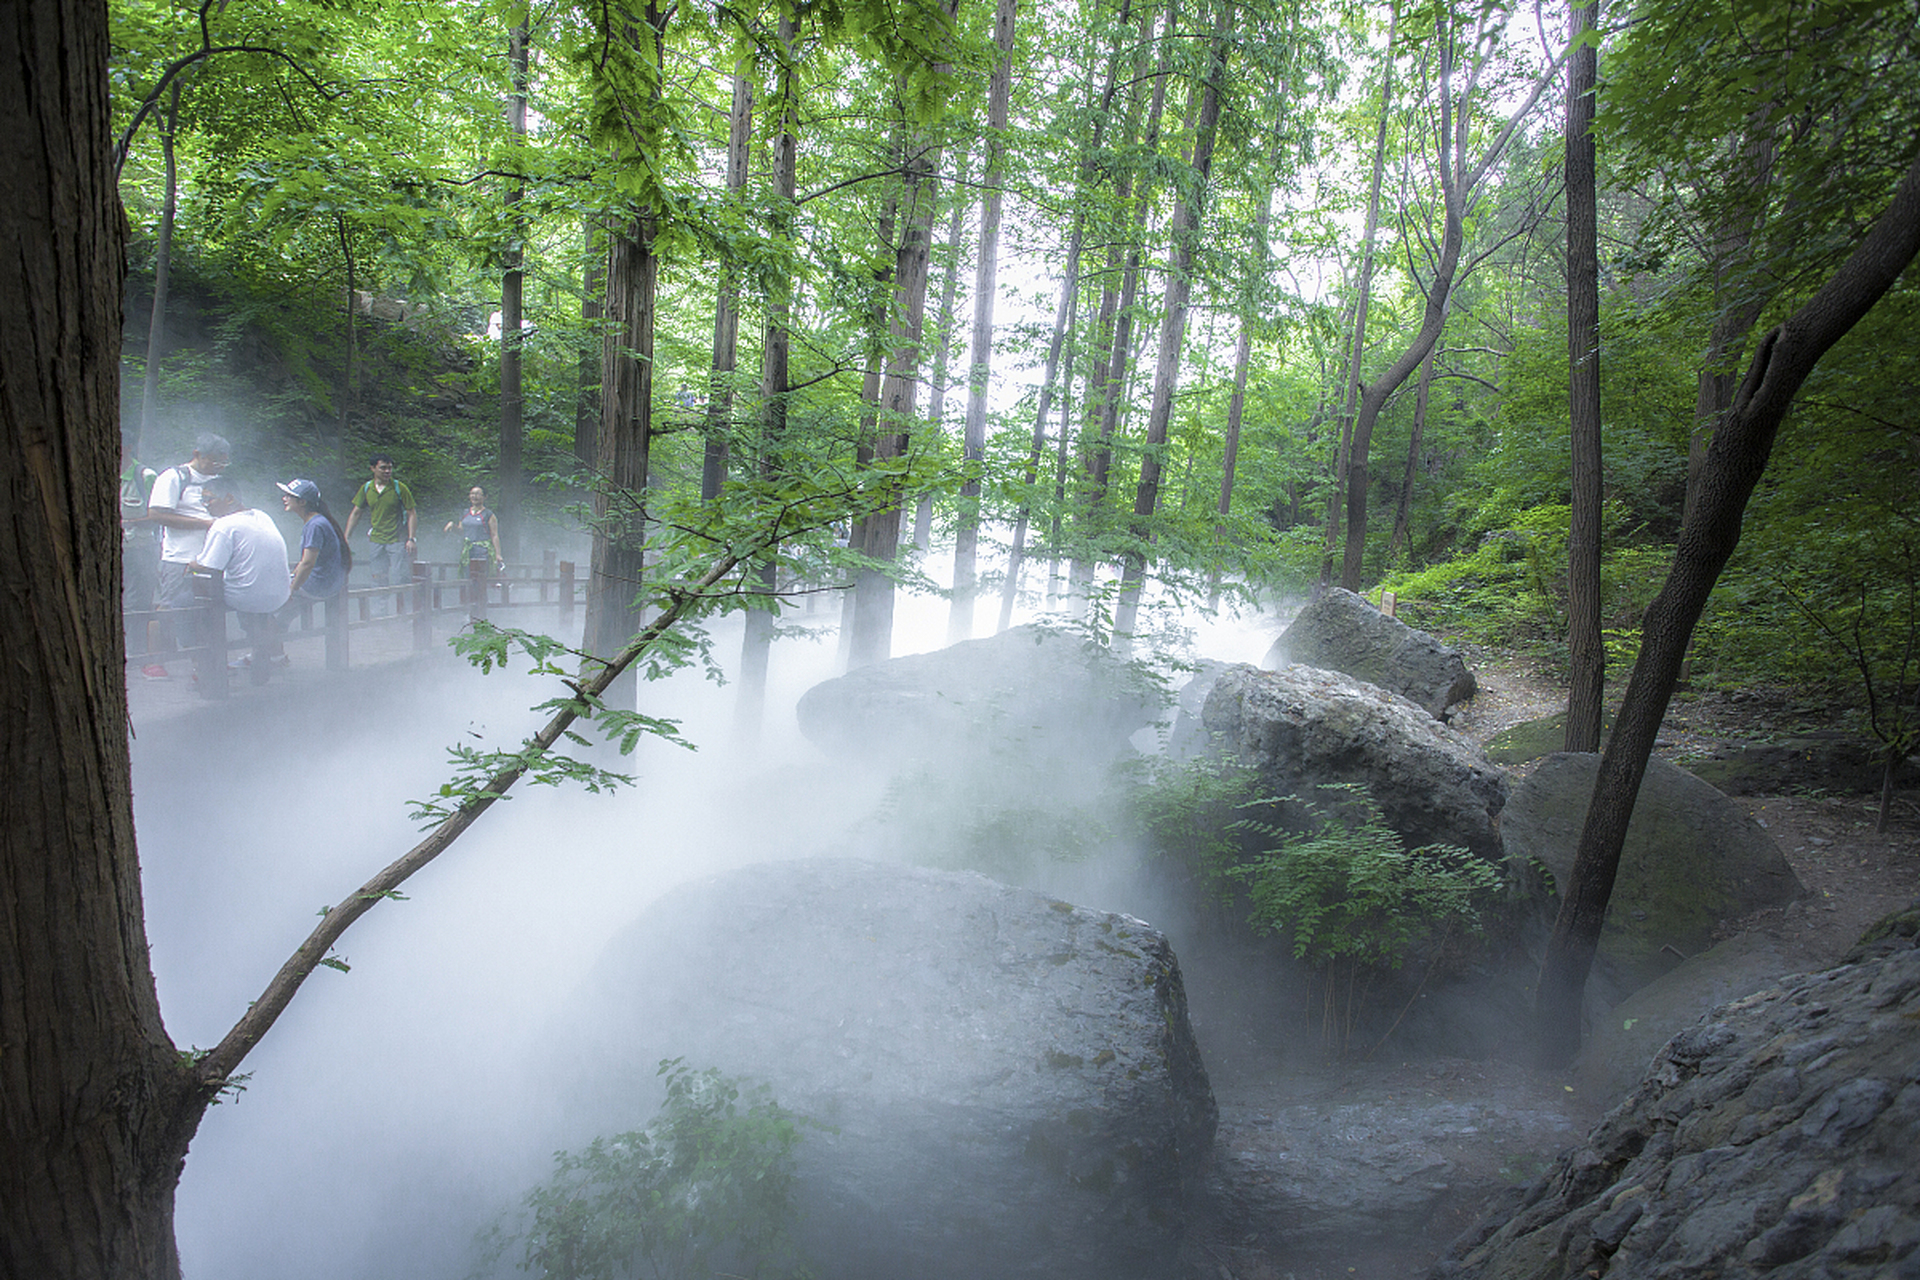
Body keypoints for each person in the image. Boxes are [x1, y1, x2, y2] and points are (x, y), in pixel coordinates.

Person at [141, 432, 229, 679]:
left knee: (205, 610)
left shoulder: (219, 480)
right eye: (213, 461)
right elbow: (156, 514)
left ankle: (203, 663)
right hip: (178, 558)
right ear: (197, 455)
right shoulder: (174, 477)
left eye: (223, 463)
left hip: (211, 558)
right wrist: (205, 524)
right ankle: (153, 661)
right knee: (168, 607)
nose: (218, 467)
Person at [193, 482, 291, 682]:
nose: (205, 505)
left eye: (209, 499)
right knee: (254, 612)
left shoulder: (223, 525)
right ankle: (261, 661)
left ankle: (207, 667)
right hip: (279, 593)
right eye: (202, 500)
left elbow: (209, 566)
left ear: (229, 498)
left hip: (248, 596)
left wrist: (190, 563)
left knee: (186, 602)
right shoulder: (263, 515)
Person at [343, 453, 417, 592]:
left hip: (397, 540)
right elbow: (356, 512)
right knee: (377, 578)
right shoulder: (367, 489)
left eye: (389, 468)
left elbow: (411, 513)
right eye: (383, 468)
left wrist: (411, 538)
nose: (387, 471)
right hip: (376, 539)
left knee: (399, 577)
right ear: (373, 468)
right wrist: (347, 536)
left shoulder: (399, 488)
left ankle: (403, 611)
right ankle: (379, 612)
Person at [445, 486, 504, 578]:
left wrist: (498, 554)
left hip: (483, 551)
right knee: (467, 576)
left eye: (477, 494)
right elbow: (461, 532)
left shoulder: (488, 515)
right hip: (467, 551)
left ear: (485, 497)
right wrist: (452, 527)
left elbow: (494, 535)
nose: (474, 496)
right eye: (472, 493)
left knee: (480, 578)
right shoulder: (465, 513)